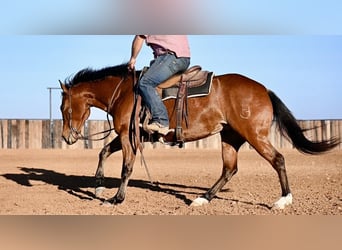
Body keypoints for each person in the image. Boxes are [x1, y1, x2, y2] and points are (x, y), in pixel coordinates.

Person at [128, 35, 191, 135]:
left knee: (145, 82)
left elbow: (139, 38)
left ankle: (161, 121)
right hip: (182, 57)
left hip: (171, 57)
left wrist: (133, 58)